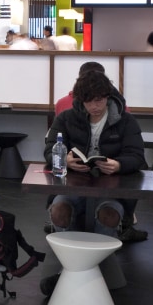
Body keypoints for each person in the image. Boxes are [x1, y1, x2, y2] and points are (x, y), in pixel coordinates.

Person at [44, 67, 145, 240]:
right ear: (80, 100)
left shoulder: (126, 121)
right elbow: (49, 148)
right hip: (73, 184)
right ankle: (72, 255)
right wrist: (65, 160)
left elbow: (136, 156)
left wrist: (118, 165)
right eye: (88, 101)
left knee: (109, 214)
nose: (94, 106)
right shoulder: (66, 118)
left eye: (98, 100)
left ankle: (101, 257)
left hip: (112, 186)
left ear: (108, 96)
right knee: (59, 211)